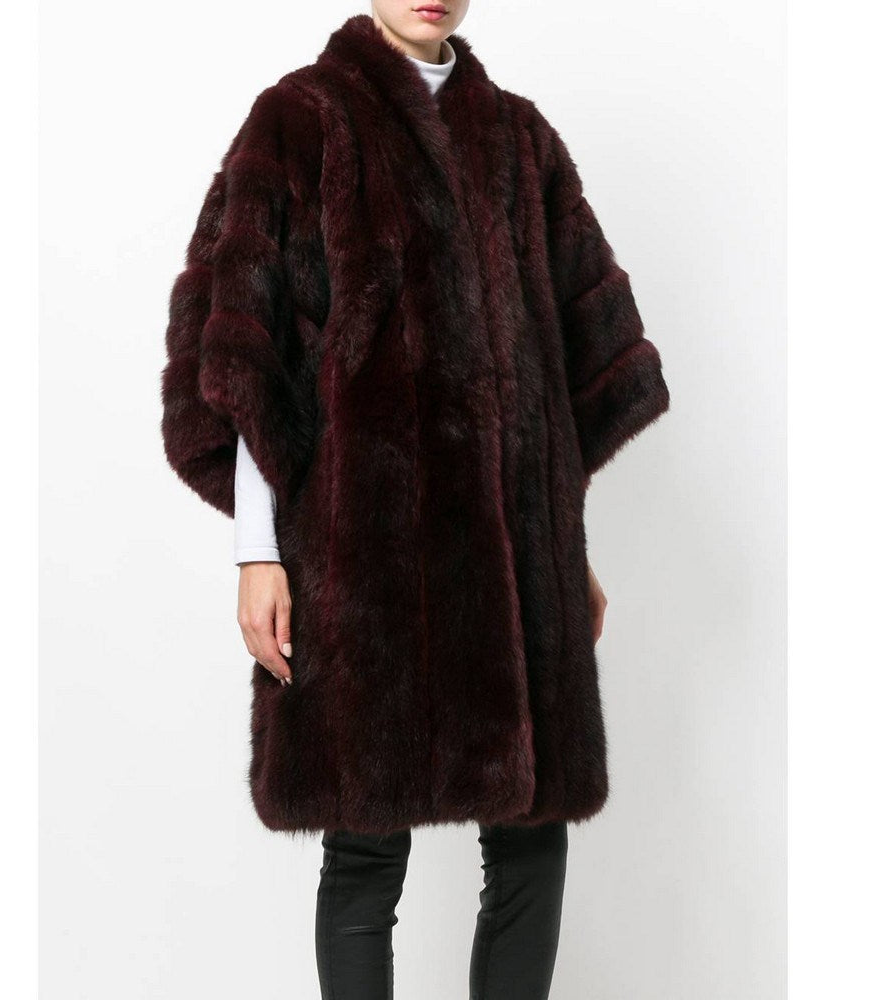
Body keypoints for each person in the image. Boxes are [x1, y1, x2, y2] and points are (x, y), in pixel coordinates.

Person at [160, 3, 670, 998]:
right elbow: (251, 352)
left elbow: (560, 374)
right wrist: (258, 552)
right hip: (363, 547)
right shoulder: (299, 119)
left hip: (519, 557)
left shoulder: (521, 139)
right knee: (364, 845)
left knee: (532, 837)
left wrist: (567, 554)